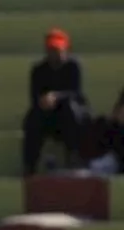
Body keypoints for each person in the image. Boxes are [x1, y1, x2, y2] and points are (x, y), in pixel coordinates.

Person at [22, 28, 89, 175]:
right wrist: (44, 101)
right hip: (48, 116)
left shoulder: (73, 67)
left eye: (58, 50)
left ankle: (74, 155)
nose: (55, 54)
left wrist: (56, 97)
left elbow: (76, 93)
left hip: (69, 116)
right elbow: (34, 97)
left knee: (70, 108)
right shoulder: (38, 70)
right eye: (51, 50)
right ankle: (29, 165)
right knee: (32, 119)